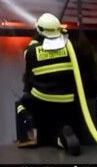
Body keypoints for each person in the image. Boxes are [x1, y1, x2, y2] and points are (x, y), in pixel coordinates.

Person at [15, 13, 81, 156]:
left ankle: (28, 138)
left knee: (21, 104)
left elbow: (28, 62)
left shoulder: (32, 51)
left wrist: (36, 37)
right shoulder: (70, 48)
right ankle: (61, 138)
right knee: (55, 128)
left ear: (40, 31)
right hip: (68, 100)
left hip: (43, 98)